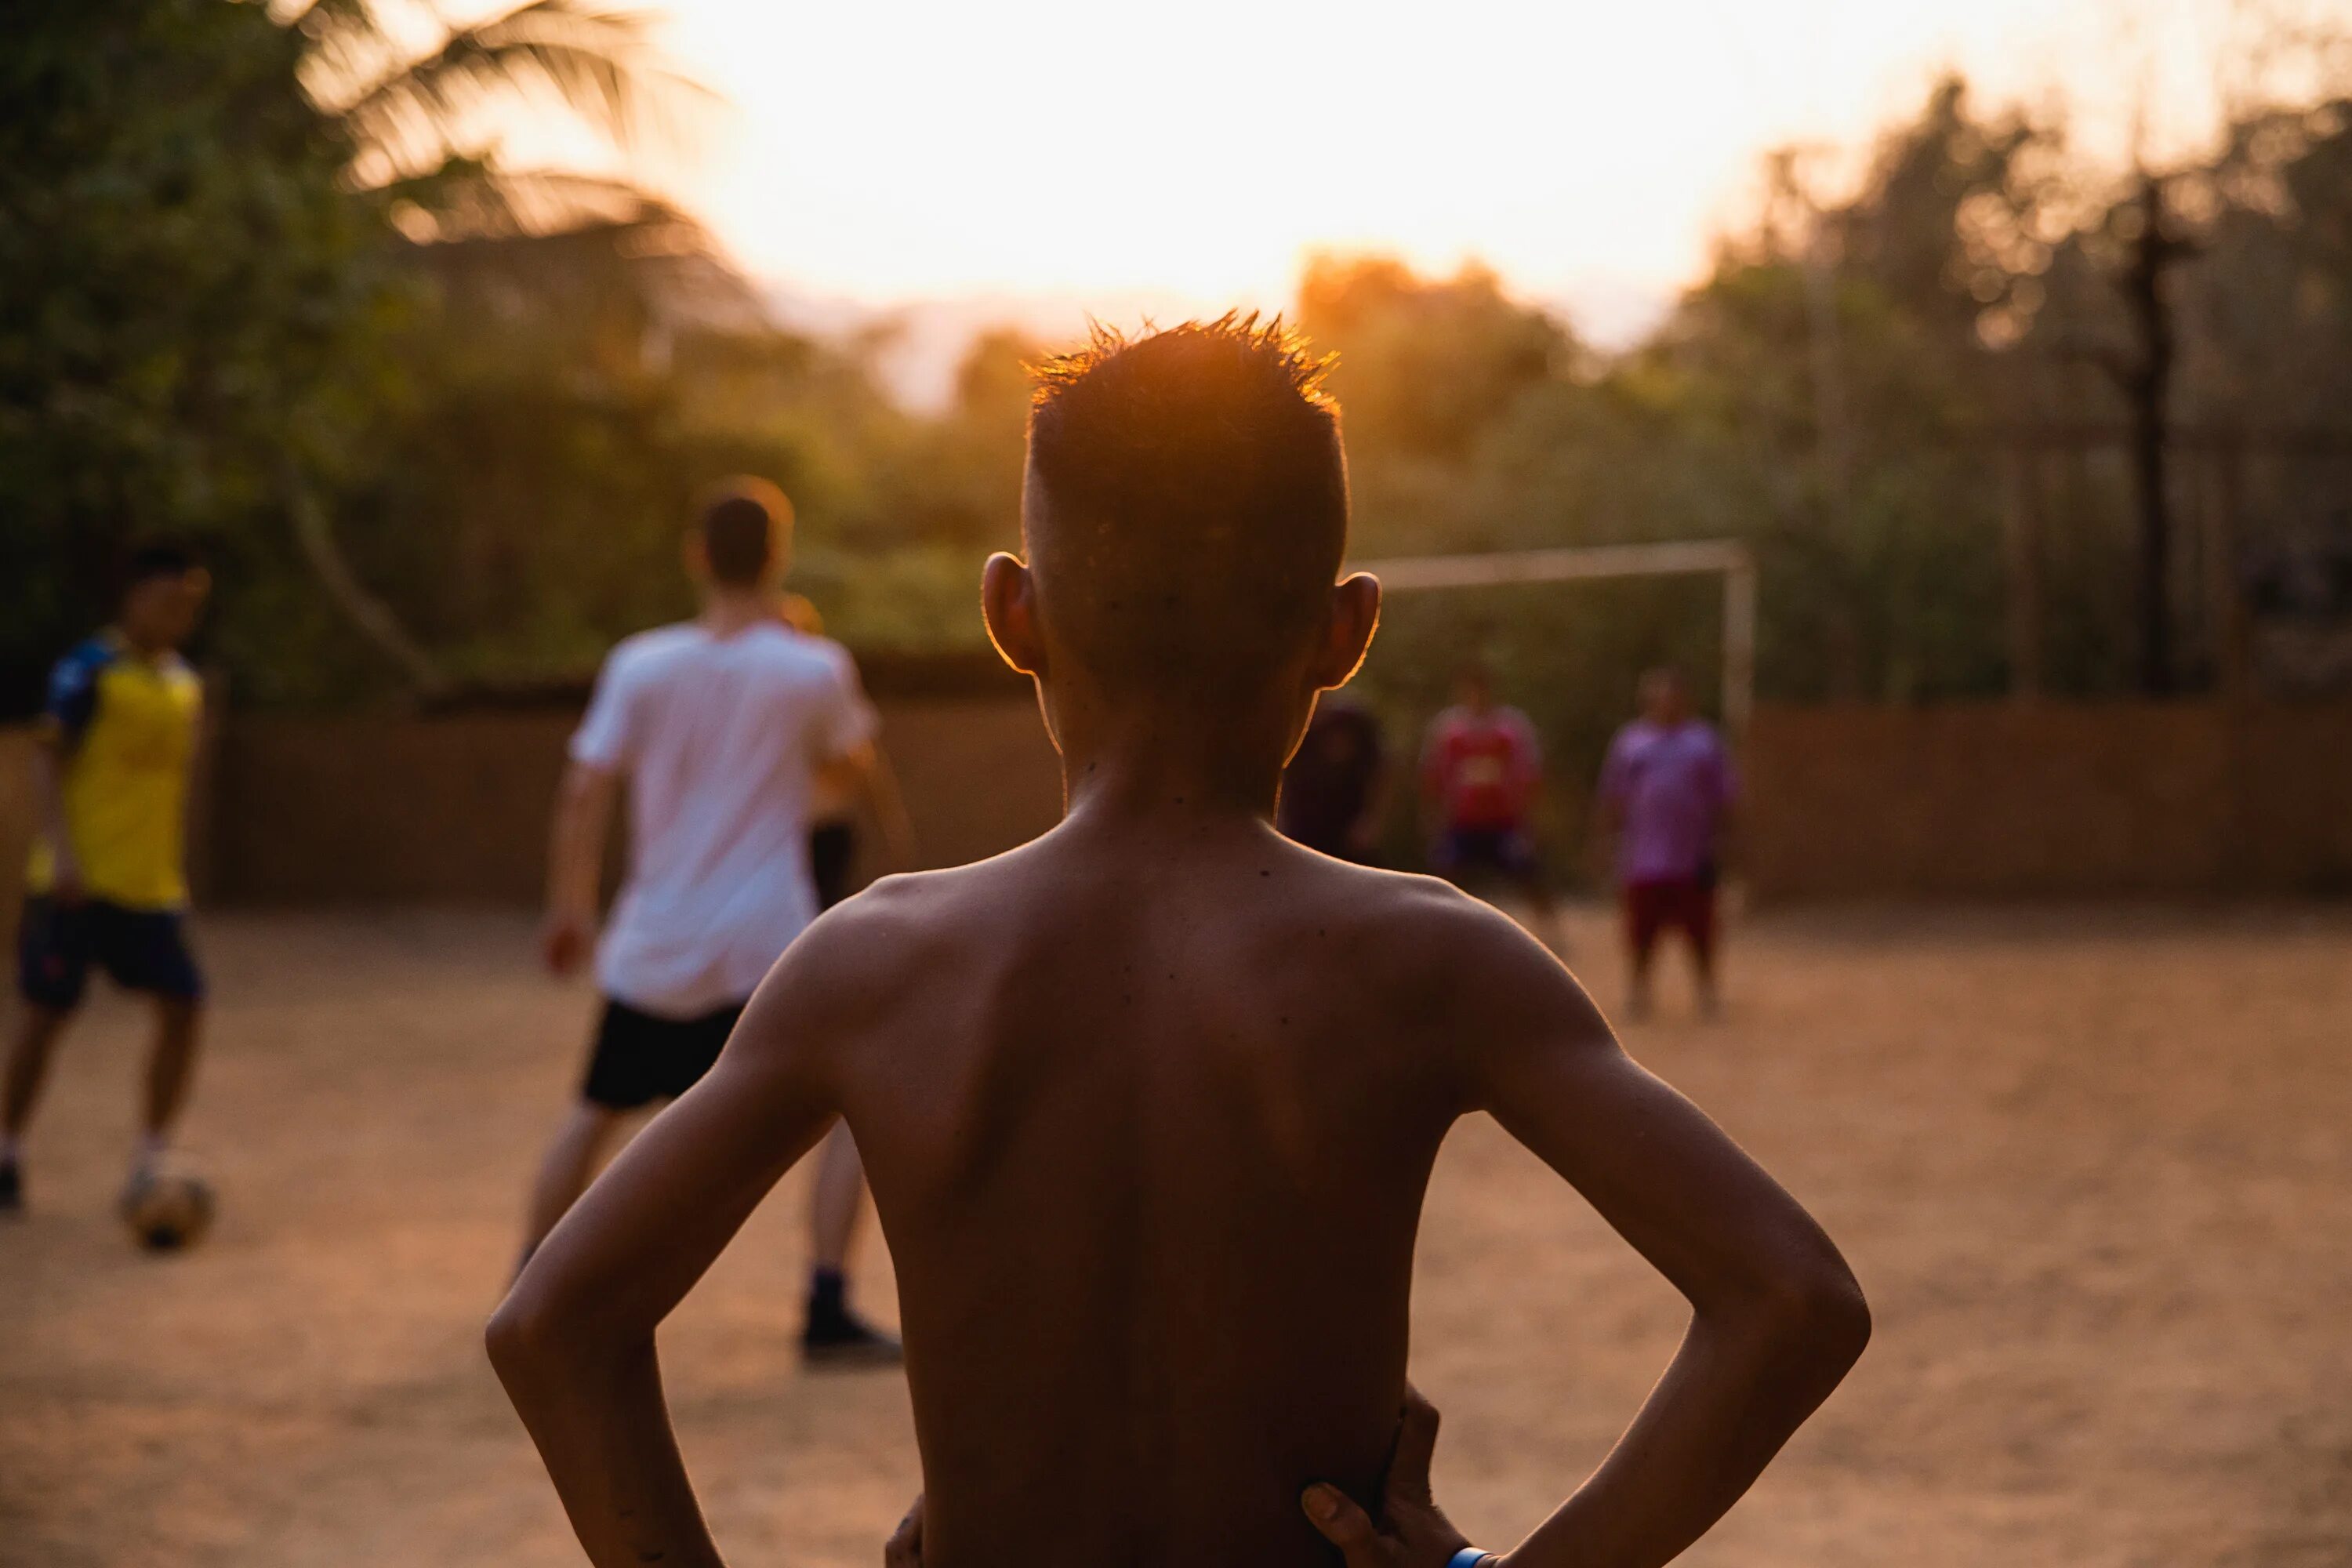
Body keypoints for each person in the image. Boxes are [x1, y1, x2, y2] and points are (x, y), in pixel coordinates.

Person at [489, 318, 1867, 1568]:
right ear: (1346, 635)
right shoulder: (1436, 961)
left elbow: (556, 1330)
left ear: (1011, 615)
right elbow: (1791, 1301)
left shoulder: (874, 967)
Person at [518, 478, 900, 1364]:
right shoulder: (811, 669)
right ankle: (827, 1304)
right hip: (764, 946)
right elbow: (854, 776)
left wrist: (571, 907)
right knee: (846, 1114)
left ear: (697, 554)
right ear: (779, 556)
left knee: (595, 1108)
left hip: (654, 939)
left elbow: (583, 792)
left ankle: (531, 1292)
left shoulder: (640, 664)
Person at [3, 543, 212, 1217]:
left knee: (185, 1007)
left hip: (151, 888)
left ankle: (152, 1154)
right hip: (78, 884)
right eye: (167, 601)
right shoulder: (89, 671)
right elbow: (47, 760)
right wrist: (60, 853)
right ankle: (6, 1149)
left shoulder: (183, 683)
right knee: (46, 1017)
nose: (178, 615)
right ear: (133, 598)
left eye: (190, 605)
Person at [1597, 666, 1740, 1021]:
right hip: (1644, 858)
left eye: (1673, 696)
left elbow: (1726, 799)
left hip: (1692, 857)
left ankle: (1707, 994)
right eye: (1659, 696)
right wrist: (1602, 843)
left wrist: (1727, 842)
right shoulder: (1631, 742)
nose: (1666, 703)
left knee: (1700, 932)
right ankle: (1639, 993)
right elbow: (1613, 797)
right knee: (1642, 932)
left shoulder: (1704, 742)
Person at [1419, 663, 1566, 952]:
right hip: (1462, 822)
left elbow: (1530, 774)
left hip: (1503, 821)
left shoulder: (1511, 727)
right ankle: (1434, 933)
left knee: (1529, 874)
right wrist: (1432, 816)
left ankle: (1552, 932)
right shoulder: (1449, 729)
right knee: (1442, 876)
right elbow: (1433, 775)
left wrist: (1529, 819)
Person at [1276, 693, 1387, 862]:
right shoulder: (1298, 731)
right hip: (1302, 826)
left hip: (1345, 827)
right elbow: (1283, 775)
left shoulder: (1353, 720)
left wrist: (1371, 820)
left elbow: (1382, 772)